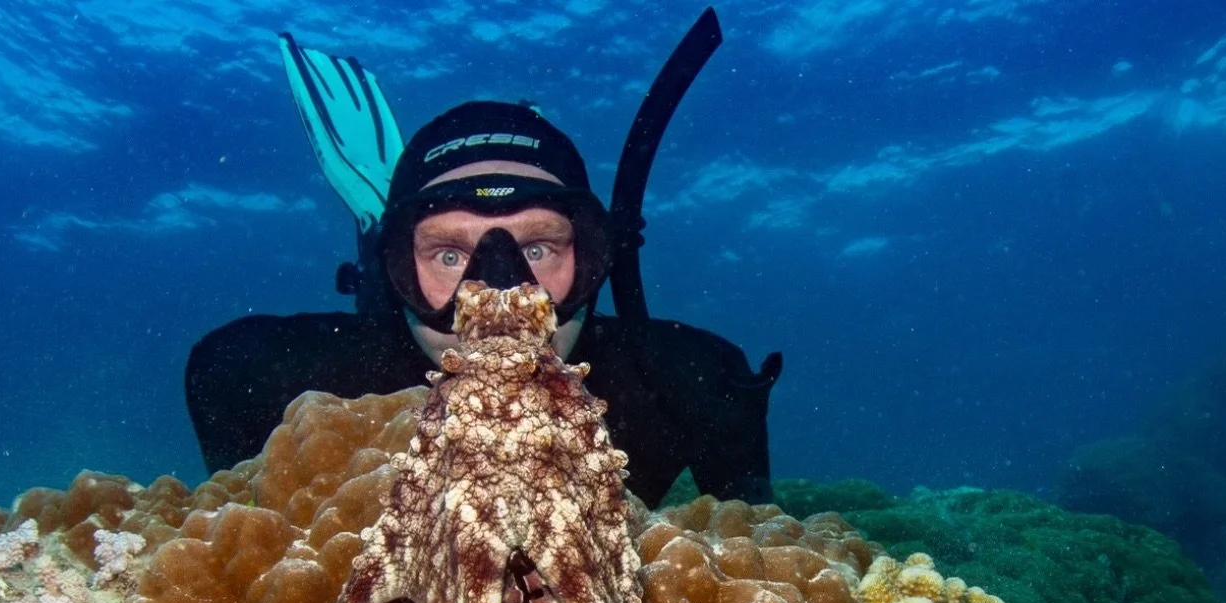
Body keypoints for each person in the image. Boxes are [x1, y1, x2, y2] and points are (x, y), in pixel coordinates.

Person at [186, 24, 781, 506]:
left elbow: (756, 548)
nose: (499, 295)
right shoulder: (300, 381)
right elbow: (222, 373)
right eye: (450, 253)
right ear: (398, 268)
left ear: (598, 259)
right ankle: (375, 225)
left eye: (538, 248)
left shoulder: (689, 383)